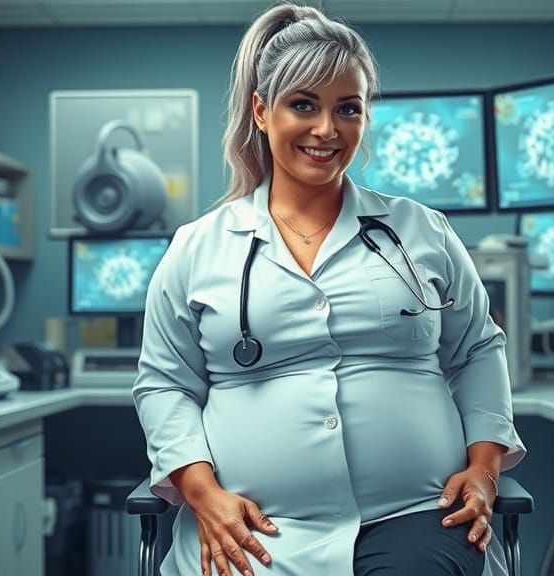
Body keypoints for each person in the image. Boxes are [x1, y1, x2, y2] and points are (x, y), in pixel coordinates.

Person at [133, 3, 526, 575]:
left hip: (418, 513)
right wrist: (201, 493)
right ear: (263, 113)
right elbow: (166, 384)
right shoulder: (198, 247)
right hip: (252, 525)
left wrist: (485, 469)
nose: (326, 129)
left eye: (347, 108)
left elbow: (476, 351)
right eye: (303, 105)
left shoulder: (422, 230)